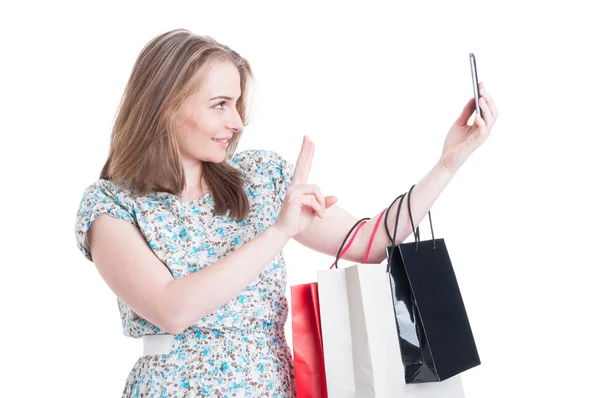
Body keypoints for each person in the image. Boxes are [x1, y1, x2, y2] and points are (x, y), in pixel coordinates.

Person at [74, 29, 498, 397]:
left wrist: (447, 164)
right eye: (220, 104)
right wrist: (280, 231)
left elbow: (371, 243)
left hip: (274, 387)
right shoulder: (111, 206)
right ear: (164, 105)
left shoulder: (260, 179)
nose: (238, 122)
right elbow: (172, 309)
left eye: (237, 104)